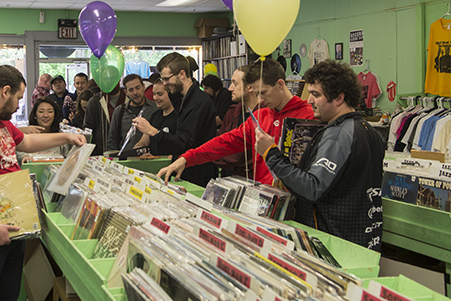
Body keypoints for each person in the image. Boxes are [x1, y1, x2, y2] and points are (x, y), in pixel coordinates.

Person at [0, 65, 86, 300]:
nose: (20, 104)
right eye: (19, 98)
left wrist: (66, 136)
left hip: (11, 228)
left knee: (7, 294)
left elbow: (27, 143)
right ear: (5, 91)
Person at [255, 60, 385, 250]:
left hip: (334, 243)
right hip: (362, 237)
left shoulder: (338, 135)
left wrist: (271, 153)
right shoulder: (368, 130)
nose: (309, 100)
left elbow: (312, 188)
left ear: (339, 97)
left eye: (316, 95)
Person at [158, 59, 314, 185]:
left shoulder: (308, 115)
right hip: (264, 197)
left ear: (280, 84)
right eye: (257, 93)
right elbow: (225, 142)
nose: (260, 99)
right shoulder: (260, 116)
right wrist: (187, 158)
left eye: (263, 93)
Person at [135, 52, 217, 187]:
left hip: (197, 174)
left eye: (167, 79)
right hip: (185, 170)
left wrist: (153, 132)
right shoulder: (181, 98)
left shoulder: (199, 102)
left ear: (182, 74)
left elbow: (183, 142)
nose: (165, 84)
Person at [214, 66, 261, 177]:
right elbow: (216, 148)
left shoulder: (264, 116)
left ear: (250, 87)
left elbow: (241, 157)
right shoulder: (231, 113)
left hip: (254, 183)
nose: (230, 88)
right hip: (228, 180)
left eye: (235, 83)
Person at [108, 74, 158, 152]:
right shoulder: (120, 111)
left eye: (138, 88)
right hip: (125, 158)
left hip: (150, 158)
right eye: (131, 90)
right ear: (126, 92)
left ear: (143, 87)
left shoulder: (155, 108)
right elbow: (112, 140)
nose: (135, 92)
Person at [134, 80, 178, 155]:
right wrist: (138, 151)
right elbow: (143, 142)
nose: (155, 98)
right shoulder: (155, 116)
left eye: (160, 94)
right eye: (154, 94)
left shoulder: (179, 117)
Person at [84, 81, 126, 155]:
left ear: (118, 79)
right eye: (106, 79)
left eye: (112, 78)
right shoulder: (95, 101)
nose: (110, 82)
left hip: (126, 153)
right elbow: (88, 129)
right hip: (100, 154)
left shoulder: (128, 99)